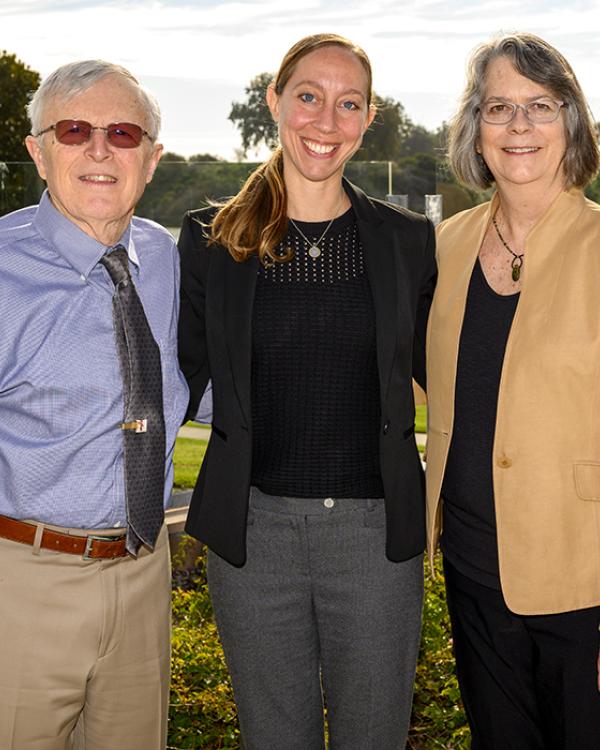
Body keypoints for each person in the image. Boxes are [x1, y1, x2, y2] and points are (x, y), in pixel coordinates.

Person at [178, 32, 436, 750]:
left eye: (347, 103)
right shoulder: (209, 239)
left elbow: (434, 370)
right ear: (275, 102)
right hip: (254, 538)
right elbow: (190, 374)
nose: (326, 122)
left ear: (367, 117)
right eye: (309, 98)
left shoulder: (407, 240)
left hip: (375, 538)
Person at [0, 60, 188, 749]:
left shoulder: (166, 261)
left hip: (142, 576)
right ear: (38, 151)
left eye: (125, 133)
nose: (102, 150)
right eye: (75, 130)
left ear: (153, 158)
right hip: (21, 587)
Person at [425, 32, 600, 749]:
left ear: (572, 123)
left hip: (583, 579)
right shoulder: (443, 246)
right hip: (472, 569)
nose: (519, 127)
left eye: (540, 106)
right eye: (499, 107)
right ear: (475, 128)